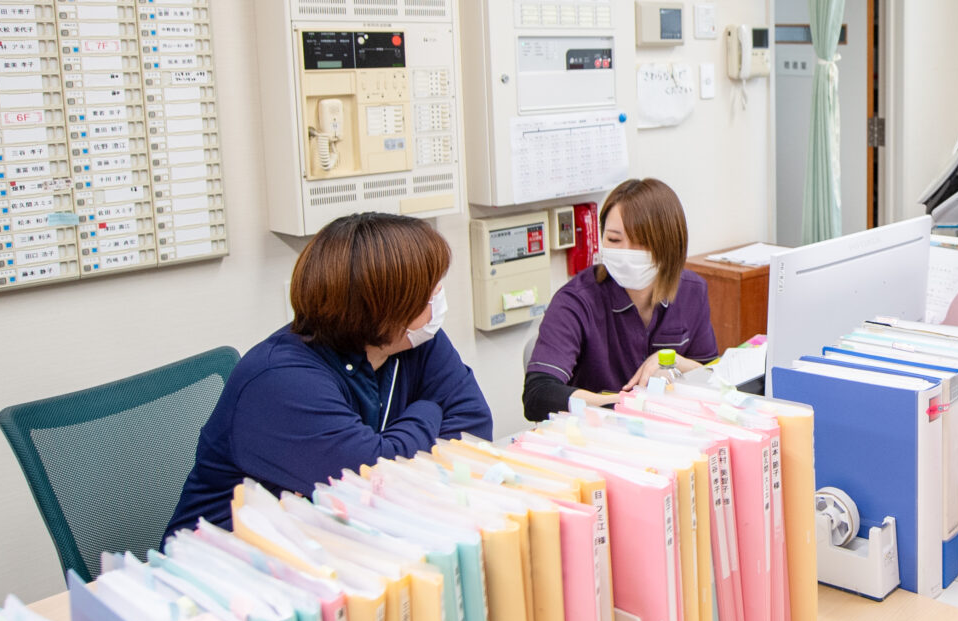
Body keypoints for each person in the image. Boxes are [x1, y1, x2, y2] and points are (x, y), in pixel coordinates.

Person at [168, 212, 492, 534]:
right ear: (385, 309)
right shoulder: (280, 380)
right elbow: (373, 477)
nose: (438, 298)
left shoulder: (413, 340)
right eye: (428, 292)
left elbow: (474, 428)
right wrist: (428, 410)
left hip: (347, 536)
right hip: (237, 555)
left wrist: (393, 447)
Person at [524, 177, 718, 421]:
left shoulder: (691, 291)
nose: (626, 253)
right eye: (614, 240)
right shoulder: (576, 301)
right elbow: (538, 395)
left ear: (670, 246)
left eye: (641, 243)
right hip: (596, 432)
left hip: (673, 428)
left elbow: (714, 378)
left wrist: (673, 362)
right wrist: (622, 404)